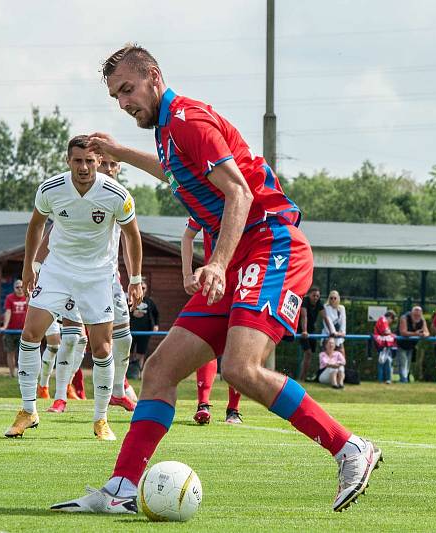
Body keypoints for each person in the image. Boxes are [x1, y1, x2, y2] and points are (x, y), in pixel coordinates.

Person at [50, 44, 381, 515]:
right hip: (240, 253)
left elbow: (239, 193)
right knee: (161, 370)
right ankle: (121, 489)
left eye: (128, 90)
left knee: (240, 369)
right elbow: (172, 170)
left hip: (272, 245)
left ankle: (350, 448)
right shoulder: (168, 130)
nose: (124, 103)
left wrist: (216, 264)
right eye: (116, 97)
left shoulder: (188, 120)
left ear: (154, 76)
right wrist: (120, 151)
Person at [3, 135, 143, 442]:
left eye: (89, 161)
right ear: (68, 161)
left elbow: (133, 236)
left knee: (102, 348)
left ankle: (101, 419)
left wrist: (134, 279)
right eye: (77, 161)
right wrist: (29, 267)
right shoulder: (51, 188)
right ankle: (28, 411)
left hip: (97, 276)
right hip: (57, 271)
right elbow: (36, 225)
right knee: (30, 334)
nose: (84, 167)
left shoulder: (116, 194)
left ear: (99, 162)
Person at [43, 150, 139, 414]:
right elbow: (51, 234)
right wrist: (36, 267)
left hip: (108, 277)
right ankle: (61, 396)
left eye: (111, 164)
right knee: (73, 338)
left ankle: (117, 391)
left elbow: (131, 241)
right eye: (103, 163)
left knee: (124, 337)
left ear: (118, 168)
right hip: (73, 275)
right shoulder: (76, 194)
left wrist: (134, 280)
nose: (107, 168)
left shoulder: (119, 197)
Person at [182, 217, 243, 425]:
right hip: (215, 281)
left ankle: (234, 410)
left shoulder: (249, 202)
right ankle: (203, 405)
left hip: (244, 281)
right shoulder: (206, 201)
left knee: (238, 343)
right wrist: (187, 274)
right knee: (207, 341)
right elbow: (188, 236)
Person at [127, 281, 159, 377]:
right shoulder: (130, 300)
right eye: (141, 287)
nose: (142, 289)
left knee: (141, 352)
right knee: (129, 352)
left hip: (145, 331)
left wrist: (156, 325)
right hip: (131, 331)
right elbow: (124, 313)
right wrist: (133, 314)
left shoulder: (149, 302)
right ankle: (126, 374)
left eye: (144, 288)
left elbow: (156, 314)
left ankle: (139, 373)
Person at [0, 279, 28, 378]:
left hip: (24, 331)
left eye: (21, 287)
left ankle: (23, 373)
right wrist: (5, 326)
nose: (20, 289)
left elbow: (31, 313)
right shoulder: (9, 298)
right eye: (17, 287)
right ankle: (12, 373)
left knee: (24, 354)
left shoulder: (28, 297)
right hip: (11, 330)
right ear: (14, 288)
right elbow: (8, 312)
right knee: (10, 352)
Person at [396, 306, 429, 383]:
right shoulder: (404, 318)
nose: (417, 316)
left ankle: (405, 379)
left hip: (411, 345)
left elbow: (427, 332)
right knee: (403, 362)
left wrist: (424, 334)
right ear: (411, 313)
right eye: (415, 314)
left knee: (408, 363)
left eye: (419, 314)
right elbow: (403, 332)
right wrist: (416, 334)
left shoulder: (422, 319)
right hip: (401, 344)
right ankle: (403, 380)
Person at [298, 287, 322, 381]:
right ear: (309, 295)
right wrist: (304, 331)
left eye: (317, 296)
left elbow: (326, 318)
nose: (315, 298)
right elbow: (304, 316)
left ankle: (304, 377)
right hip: (301, 330)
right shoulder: (305, 301)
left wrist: (332, 331)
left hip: (311, 331)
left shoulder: (319, 303)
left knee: (309, 354)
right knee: (307, 353)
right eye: (314, 295)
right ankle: (302, 378)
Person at [373, 310, 397, 384]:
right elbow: (386, 332)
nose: (391, 322)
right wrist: (392, 334)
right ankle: (382, 380)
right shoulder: (383, 319)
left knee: (387, 361)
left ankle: (387, 379)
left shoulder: (382, 319)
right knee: (382, 361)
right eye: (392, 320)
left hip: (383, 343)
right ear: (390, 317)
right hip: (382, 343)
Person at [321, 290, 347, 356]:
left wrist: (342, 332)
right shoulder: (326, 307)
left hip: (339, 338)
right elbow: (328, 321)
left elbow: (343, 321)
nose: (333, 300)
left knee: (341, 356)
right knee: (327, 358)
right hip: (328, 336)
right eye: (331, 298)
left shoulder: (342, 308)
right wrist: (333, 332)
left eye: (335, 298)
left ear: (338, 298)